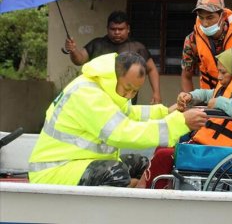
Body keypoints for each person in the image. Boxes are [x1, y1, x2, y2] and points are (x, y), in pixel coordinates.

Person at [28, 52, 207, 187]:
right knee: (116, 172)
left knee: (144, 163)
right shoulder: (87, 94)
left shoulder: (107, 88)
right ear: (115, 76)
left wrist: (167, 112)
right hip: (55, 170)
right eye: (127, 88)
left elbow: (131, 114)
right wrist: (180, 123)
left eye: (135, 91)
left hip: (82, 161)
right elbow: (122, 132)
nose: (129, 95)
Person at [137, 48, 232, 189]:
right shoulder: (230, 83)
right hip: (218, 148)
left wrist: (221, 102)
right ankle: (153, 188)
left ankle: (148, 191)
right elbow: (208, 94)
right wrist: (191, 96)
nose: (219, 76)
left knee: (164, 154)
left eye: (223, 72)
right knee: (163, 147)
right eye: (219, 71)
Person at [65, 11, 161, 104]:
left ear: (128, 29)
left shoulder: (137, 47)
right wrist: (73, 50)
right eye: (113, 29)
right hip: (99, 99)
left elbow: (152, 69)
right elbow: (79, 59)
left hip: (126, 100)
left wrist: (156, 92)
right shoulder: (97, 44)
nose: (117, 32)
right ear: (107, 28)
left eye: (121, 29)